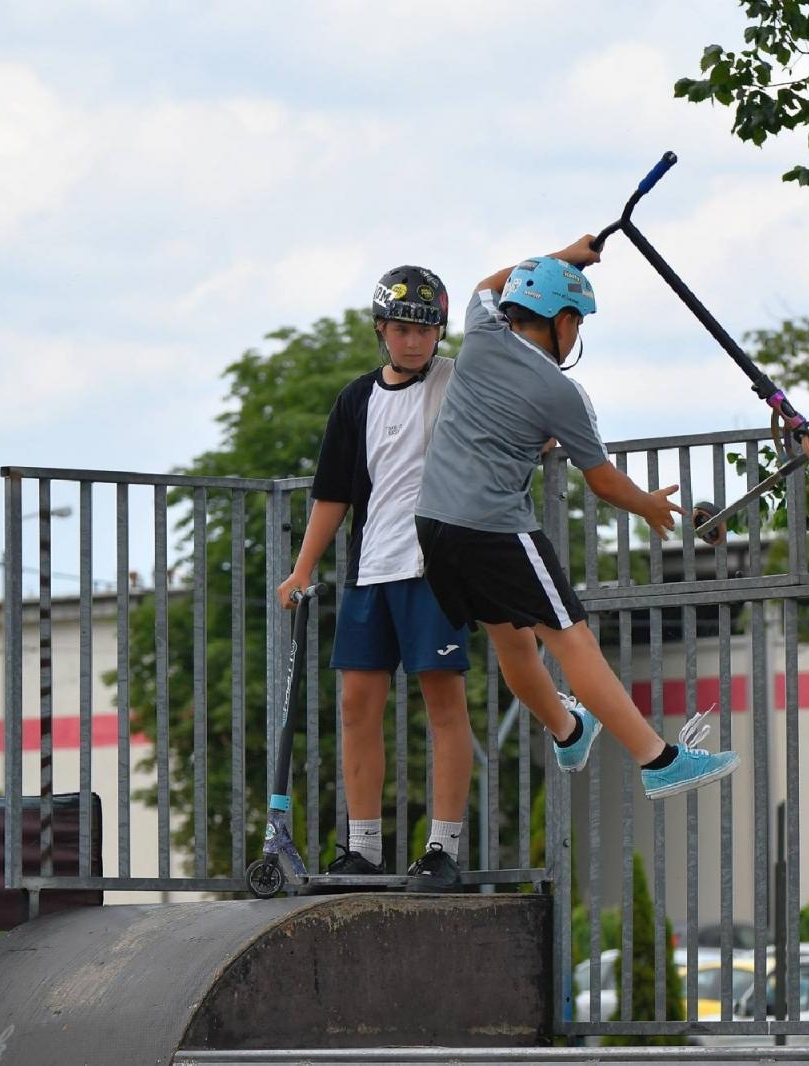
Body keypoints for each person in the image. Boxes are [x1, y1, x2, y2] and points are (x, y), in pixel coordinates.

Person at [415, 237, 739, 799]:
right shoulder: (561, 392)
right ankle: (657, 759)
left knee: (514, 641)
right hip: (494, 526)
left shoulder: (482, 332)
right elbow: (602, 479)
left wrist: (565, 256)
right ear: (562, 321)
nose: (577, 334)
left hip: (435, 526)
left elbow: (487, 285)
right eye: (578, 323)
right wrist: (647, 504)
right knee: (572, 640)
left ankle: (568, 730)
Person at [277, 264, 473, 893]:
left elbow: (514, 408)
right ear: (381, 330)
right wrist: (302, 568)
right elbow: (333, 493)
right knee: (356, 706)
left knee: (443, 704)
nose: (414, 340)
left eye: (426, 328)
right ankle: (362, 850)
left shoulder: (457, 380)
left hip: (434, 568)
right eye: (401, 328)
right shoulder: (355, 399)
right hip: (370, 569)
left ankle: (442, 849)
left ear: (440, 331)